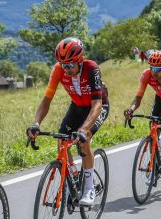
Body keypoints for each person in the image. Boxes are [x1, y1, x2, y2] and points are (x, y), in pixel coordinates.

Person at [27, 37, 109, 207]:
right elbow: (46, 100)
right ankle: (72, 173)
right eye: (63, 65)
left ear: (80, 60)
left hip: (97, 107)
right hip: (77, 106)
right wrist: (36, 124)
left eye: (70, 65)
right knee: (62, 141)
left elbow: (97, 104)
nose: (67, 69)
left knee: (83, 140)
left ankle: (89, 188)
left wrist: (83, 129)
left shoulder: (91, 68)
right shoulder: (58, 70)